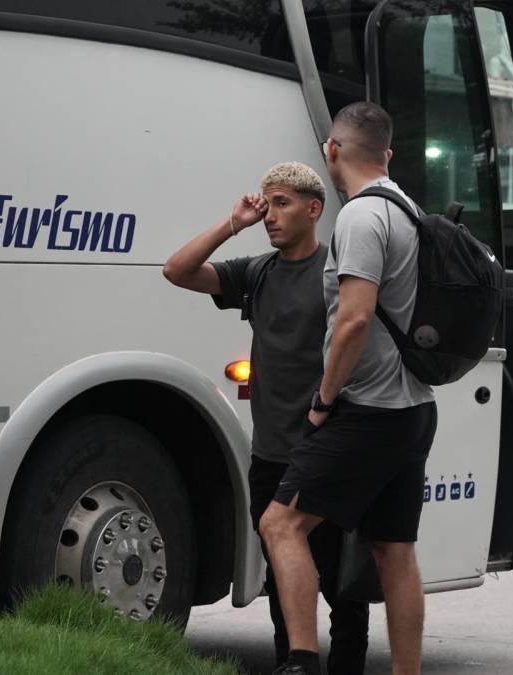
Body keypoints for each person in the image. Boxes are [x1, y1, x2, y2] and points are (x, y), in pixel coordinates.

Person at [162, 162, 370, 674]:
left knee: (342, 585)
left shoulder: (336, 273)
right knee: (280, 578)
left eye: (282, 204)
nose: (270, 216)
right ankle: (291, 663)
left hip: (326, 451)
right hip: (271, 456)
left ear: (313, 209)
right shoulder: (257, 272)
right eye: (267, 204)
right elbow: (177, 271)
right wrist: (233, 224)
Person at [259, 102, 437, 675]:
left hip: (368, 410)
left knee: (280, 524)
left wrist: (324, 400)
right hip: (414, 408)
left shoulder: (361, 217)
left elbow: (355, 319)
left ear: (332, 150)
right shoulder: (408, 209)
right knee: (393, 550)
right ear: (387, 154)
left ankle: (301, 662)